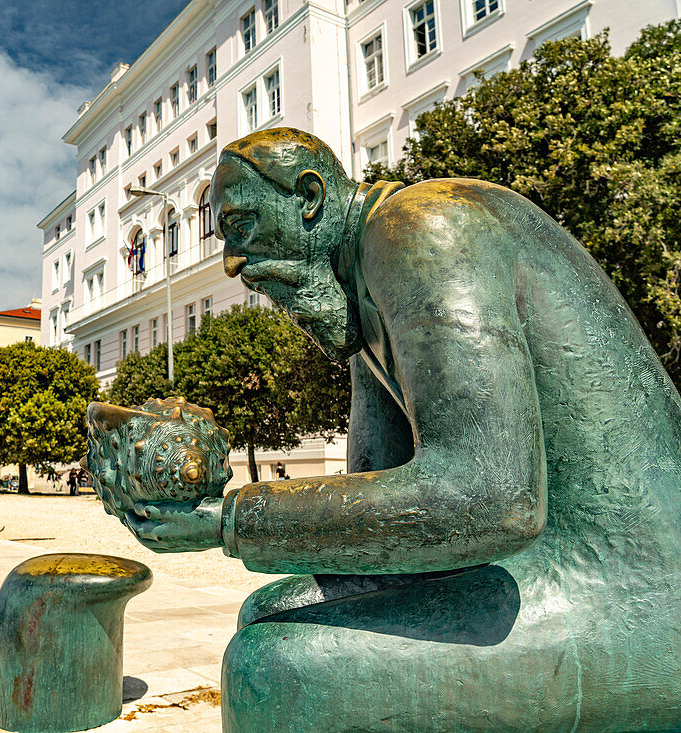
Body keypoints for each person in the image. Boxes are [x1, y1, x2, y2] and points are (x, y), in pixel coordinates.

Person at [97, 128, 681, 729]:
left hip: (636, 594)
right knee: (269, 611)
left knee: (270, 667)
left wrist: (229, 520)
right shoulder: (359, 287)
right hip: (545, 566)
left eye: (242, 225)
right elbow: (378, 487)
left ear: (309, 198)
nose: (233, 262)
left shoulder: (420, 230)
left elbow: (494, 496)